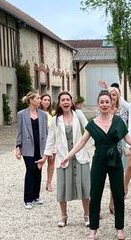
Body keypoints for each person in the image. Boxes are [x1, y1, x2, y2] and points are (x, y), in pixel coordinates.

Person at [61, 90, 131, 240]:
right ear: (98, 104)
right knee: (95, 194)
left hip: (115, 159)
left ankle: (120, 228)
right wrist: (68, 156)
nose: (104, 104)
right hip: (99, 160)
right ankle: (93, 229)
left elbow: (129, 140)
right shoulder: (92, 123)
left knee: (118, 193)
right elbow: (81, 142)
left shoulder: (118, 121)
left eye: (107, 102)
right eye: (101, 102)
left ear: (111, 104)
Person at [41, 91, 91, 227]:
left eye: (68, 99)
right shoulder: (56, 119)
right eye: (63, 100)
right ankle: (63, 216)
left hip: (80, 156)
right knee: (62, 189)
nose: (66, 102)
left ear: (71, 102)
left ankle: (87, 215)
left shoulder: (78, 115)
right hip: (63, 158)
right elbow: (50, 140)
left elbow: (90, 129)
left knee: (85, 187)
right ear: (59, 103)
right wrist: (44, 158)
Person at [15, 91, 48, 209]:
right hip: (28, 147)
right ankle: (27, 199)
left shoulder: (43, 115)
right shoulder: (21, 114)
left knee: (38, 170)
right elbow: (19, 131)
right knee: (30, 170)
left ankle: (36, 196)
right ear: (31, 100)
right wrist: (17, 147)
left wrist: (49, 148)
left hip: (41, 147)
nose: (40, 100)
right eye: (38, 98)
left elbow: (46, 132)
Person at [40, 93, 55, 192]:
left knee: (51, 161)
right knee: (40, 161)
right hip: (41, 140)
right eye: (45, 100)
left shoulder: (53, 113)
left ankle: (49, 182)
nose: (47, 102)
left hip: (52, 140)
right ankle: (36, 181)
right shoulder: (38, 113)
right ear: (41, 101)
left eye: (48, 100)